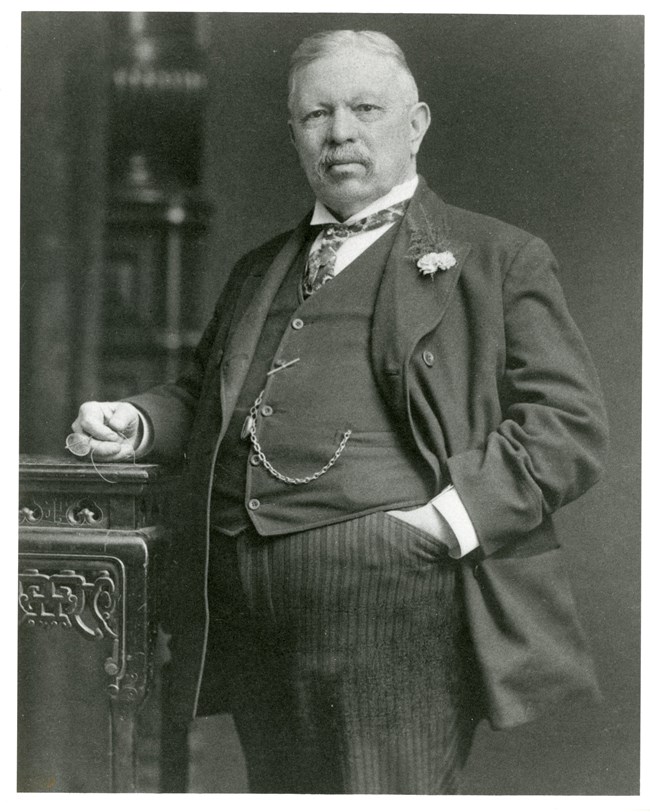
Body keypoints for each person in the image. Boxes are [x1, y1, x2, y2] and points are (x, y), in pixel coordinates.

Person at [71, 30, 608, 794]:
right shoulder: (261, 266)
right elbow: (205, 395)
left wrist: (441, 526)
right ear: (294, 133)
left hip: (394, 596)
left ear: (415, 124)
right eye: (317, 115)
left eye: (365, 108)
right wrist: (138, 422)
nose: (341, 132)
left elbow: (570, 425)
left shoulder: (496, 256)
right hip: (248, 605)